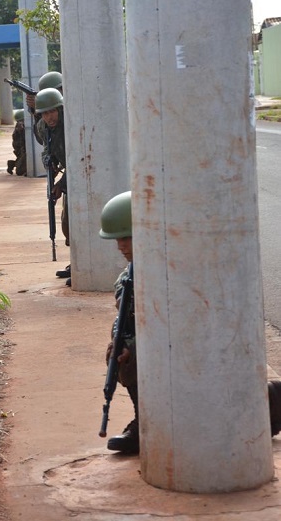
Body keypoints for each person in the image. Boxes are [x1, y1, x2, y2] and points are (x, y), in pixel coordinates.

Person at [99, 190, 281, 455]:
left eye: (126, 238)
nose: (121, 246)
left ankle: (271, 399)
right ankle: (146, 421)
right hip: (177, 351)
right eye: (118, 240)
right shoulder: (129, 277)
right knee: (126, 351)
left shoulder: (185, 267)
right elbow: (127, 318)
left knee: (218, 413)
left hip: (208, 348)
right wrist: (120, 343)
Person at [35, 88, 71, 284]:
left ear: (60, 109)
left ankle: (83, 265)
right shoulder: (43, 127)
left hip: (85, 174)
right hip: (68, 176)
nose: (49, 117)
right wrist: (49, 163)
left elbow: (78, 157)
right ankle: (76, 261)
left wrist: (61, 183)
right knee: (67, 222)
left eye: (52, 112)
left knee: (78, 220)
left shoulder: (71, 123)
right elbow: (46, 150)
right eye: (45, 113)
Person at [7, 109, 27, 176]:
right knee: (20, 171)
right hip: (22, 149)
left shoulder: (20, 125)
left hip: (21, 149)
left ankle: (13, 163)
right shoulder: (20, 126)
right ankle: (13, 164)